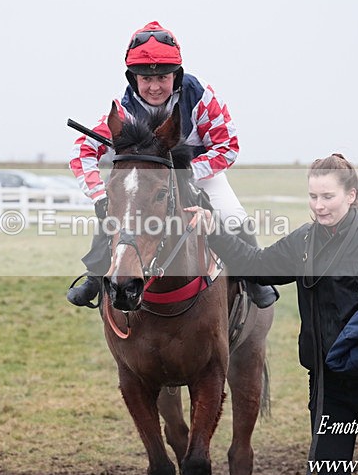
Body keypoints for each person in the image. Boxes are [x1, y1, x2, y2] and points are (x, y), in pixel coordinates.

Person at [187, 154, 358, 475]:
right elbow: (258, 265)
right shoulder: (304, 242)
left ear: (350, 195)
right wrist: (214, 231)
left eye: (328, 197)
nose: (319, 206)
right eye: (313, 197)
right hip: (327, 390)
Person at [67, 20, 277, 309]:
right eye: (146, 79)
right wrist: (100, 196)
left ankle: (255, 279)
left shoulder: (201, 96)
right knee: (118, 214)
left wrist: (188, 174)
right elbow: (82, 153)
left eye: (163, 78)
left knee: (232, 215)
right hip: (149, 180)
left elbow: (228, 146)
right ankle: (94, 277)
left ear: (176, 76)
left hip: (199, 172)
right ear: (133, 79)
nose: (154, 87)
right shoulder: (124, 109)